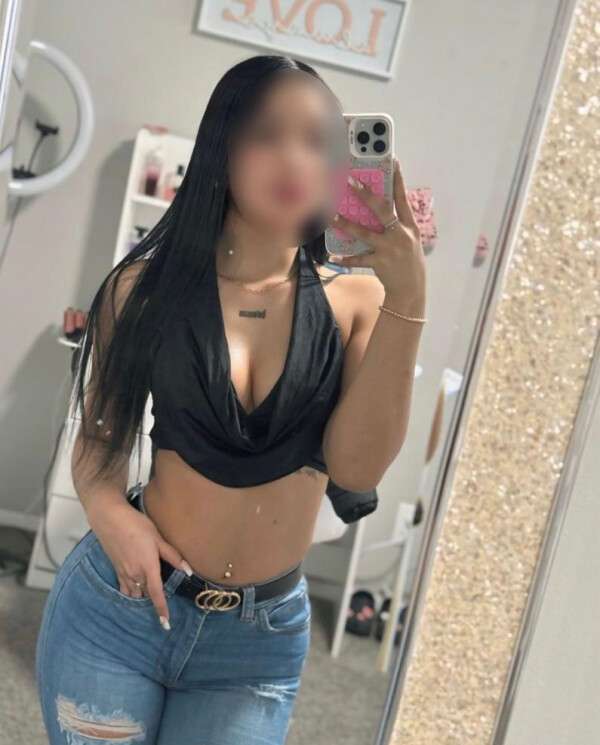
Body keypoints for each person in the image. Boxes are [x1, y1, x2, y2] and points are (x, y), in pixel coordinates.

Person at [35, 54, 426, 744]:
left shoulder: (360, 302)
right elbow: (99, 437)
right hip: (120, 609)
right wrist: (110, 514)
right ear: (222, 148)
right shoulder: (142, 289)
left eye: (317, 141)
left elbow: (357, 468)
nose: (294, 158)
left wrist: (409, 298)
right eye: (266, 134)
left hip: (257, 646)